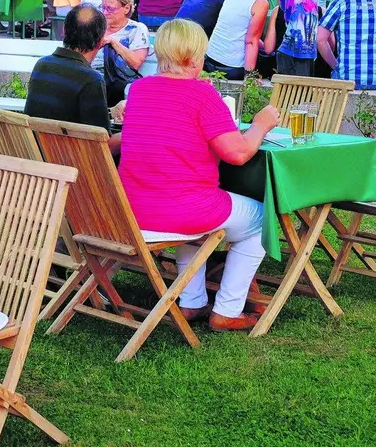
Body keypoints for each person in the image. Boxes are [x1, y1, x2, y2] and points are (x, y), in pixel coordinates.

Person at [118, 20, 283, 332]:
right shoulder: (202, 95)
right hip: (183, 211)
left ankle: (191, 300)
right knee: (262, 219)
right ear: (194, 56)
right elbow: (237, 154)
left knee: (185, 204)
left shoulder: (138, 90)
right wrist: (261, 124)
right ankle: (228, 308)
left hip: (134, 209)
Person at [24, 4, 116, 140]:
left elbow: (60, 113)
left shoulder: (42, 65)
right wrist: (131, 133)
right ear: (100, 42)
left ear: (64, 32)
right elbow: (100, 144)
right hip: (67, 156)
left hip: (37, 150)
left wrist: (110, 112)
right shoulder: (91, 79)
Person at [203, 0, 275, 80]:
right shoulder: (260, 3)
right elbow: (251, 41)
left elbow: (240, 30)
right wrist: (250, 77)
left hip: (210, 59)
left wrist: (262, 45)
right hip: (232, 67)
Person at [93, 0, 151, 107]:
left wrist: (113, 43)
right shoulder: (96, 27)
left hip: (117, 86)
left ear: (126, 8)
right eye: (103, 7)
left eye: (110, 8)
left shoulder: (136, 29)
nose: (105, 12)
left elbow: (136, 62)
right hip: (91, 81)